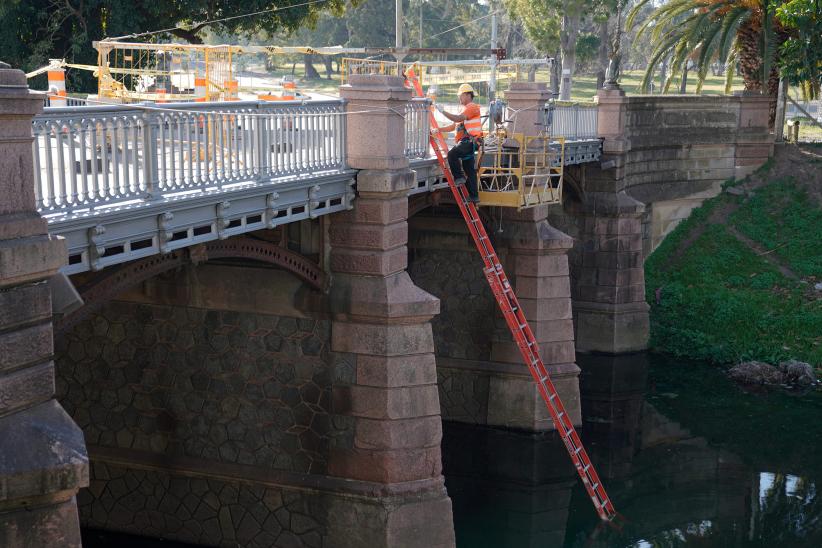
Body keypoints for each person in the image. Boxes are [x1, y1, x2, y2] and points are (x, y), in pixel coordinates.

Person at [431, 83, 484, 203]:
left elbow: (458, 119)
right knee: (469, 170)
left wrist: (443, 111)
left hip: (469, 142)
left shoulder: (472, 107)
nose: (459, 98)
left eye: (460, 95)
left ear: (467, 95)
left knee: (452, 155)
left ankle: (458, 177)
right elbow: (453, 126)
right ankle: (474, 196)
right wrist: (439, 129)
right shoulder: (466, 109)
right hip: (469, 143)